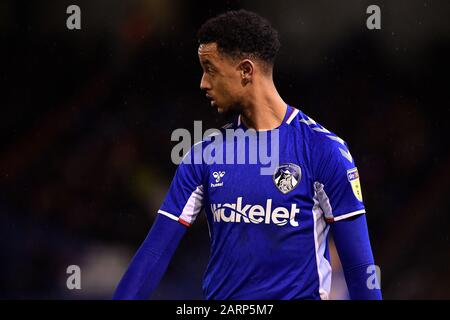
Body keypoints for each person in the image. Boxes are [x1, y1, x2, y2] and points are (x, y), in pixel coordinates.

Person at [113, 9, 382, 300]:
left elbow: (359, 269)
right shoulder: (204, 156)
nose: (203, 82)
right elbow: (154, 253)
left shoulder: (324, 151)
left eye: (210, 68)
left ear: (245, 71)